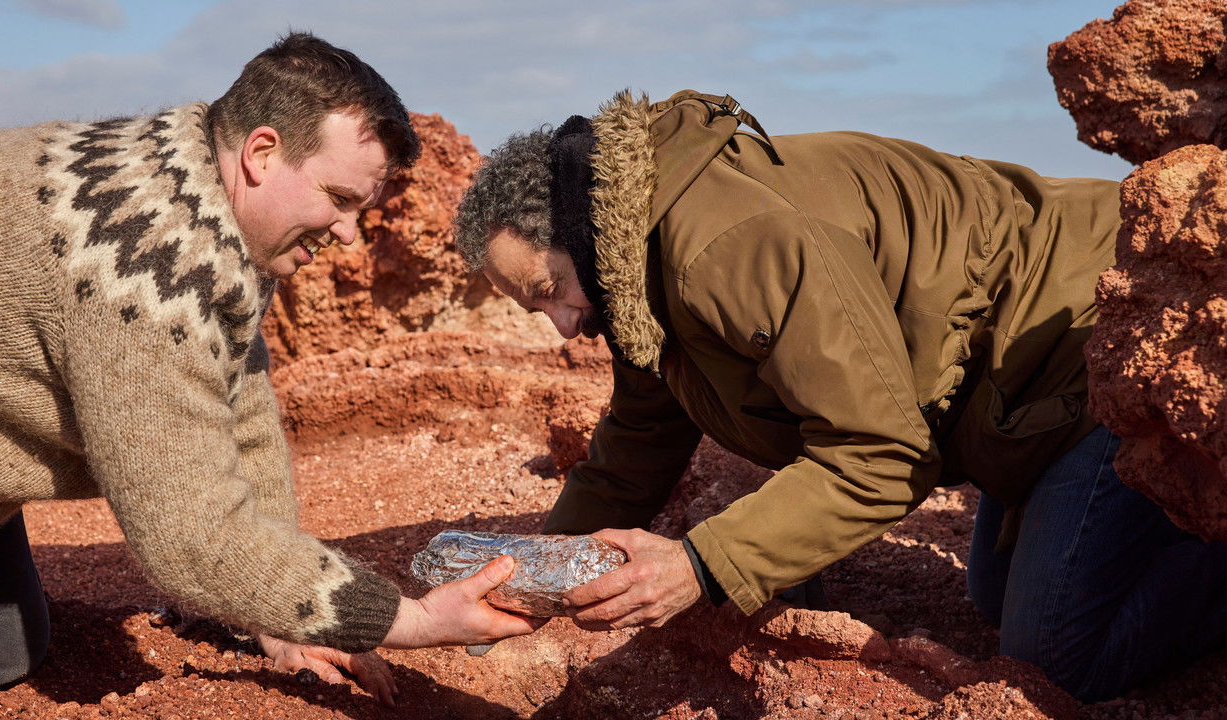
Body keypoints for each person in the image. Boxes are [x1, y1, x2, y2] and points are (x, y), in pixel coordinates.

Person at [452, 89, 1227, 701]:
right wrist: (531, 576)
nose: (562, 326)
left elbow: (883, 454)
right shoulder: (630, 268)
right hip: (1009, 394)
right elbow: (639, 441)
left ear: (582, 229)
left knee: (1057, 654)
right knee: (994, 599)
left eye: (549, 290)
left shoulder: (725, 247)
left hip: (1091, 338)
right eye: (535, 308)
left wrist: (699, 565)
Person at [0, 32, 540, 717]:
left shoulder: (204, 194)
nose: (348, 232)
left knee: (1, 652)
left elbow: (244, 410)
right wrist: (411, 620)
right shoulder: (144, 266)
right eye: (338, 197)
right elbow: (192, 537)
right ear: (261, 152)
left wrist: (285, 621)